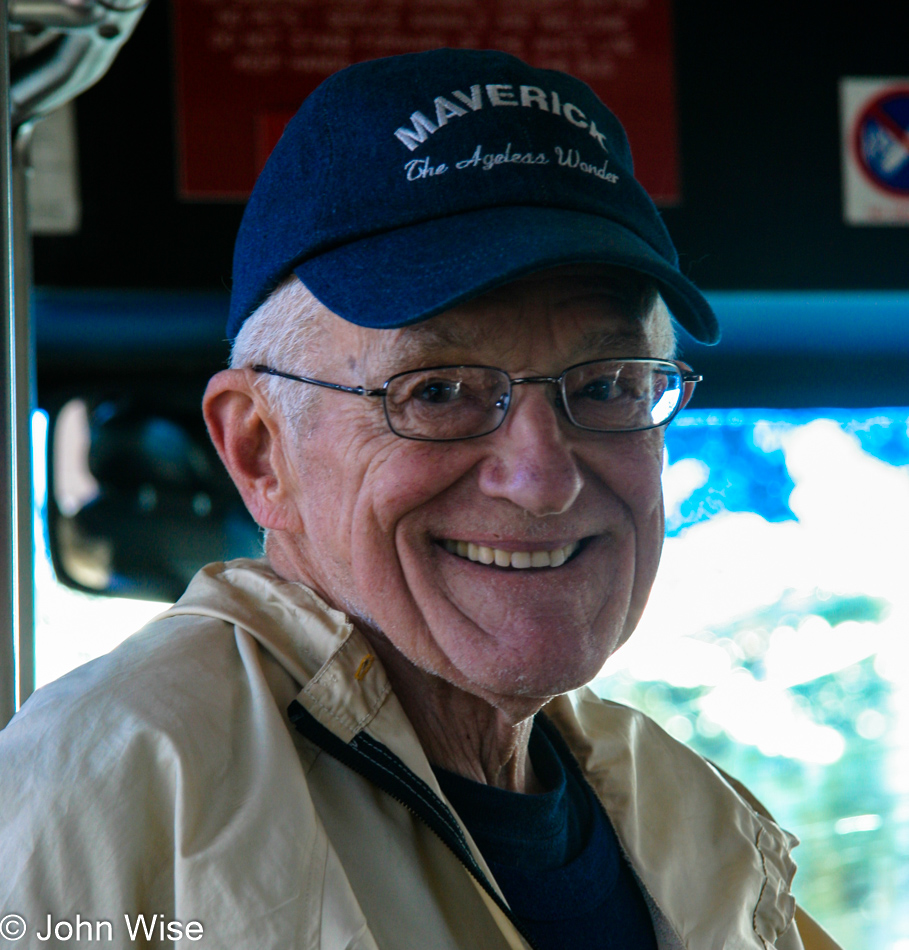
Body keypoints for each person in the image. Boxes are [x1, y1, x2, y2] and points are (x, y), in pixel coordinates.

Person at [0, 49, 842, 950]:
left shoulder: (700, 822)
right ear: (258, 450)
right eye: (437, 391)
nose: (544, 478)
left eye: (606, 384)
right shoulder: (107, 789)